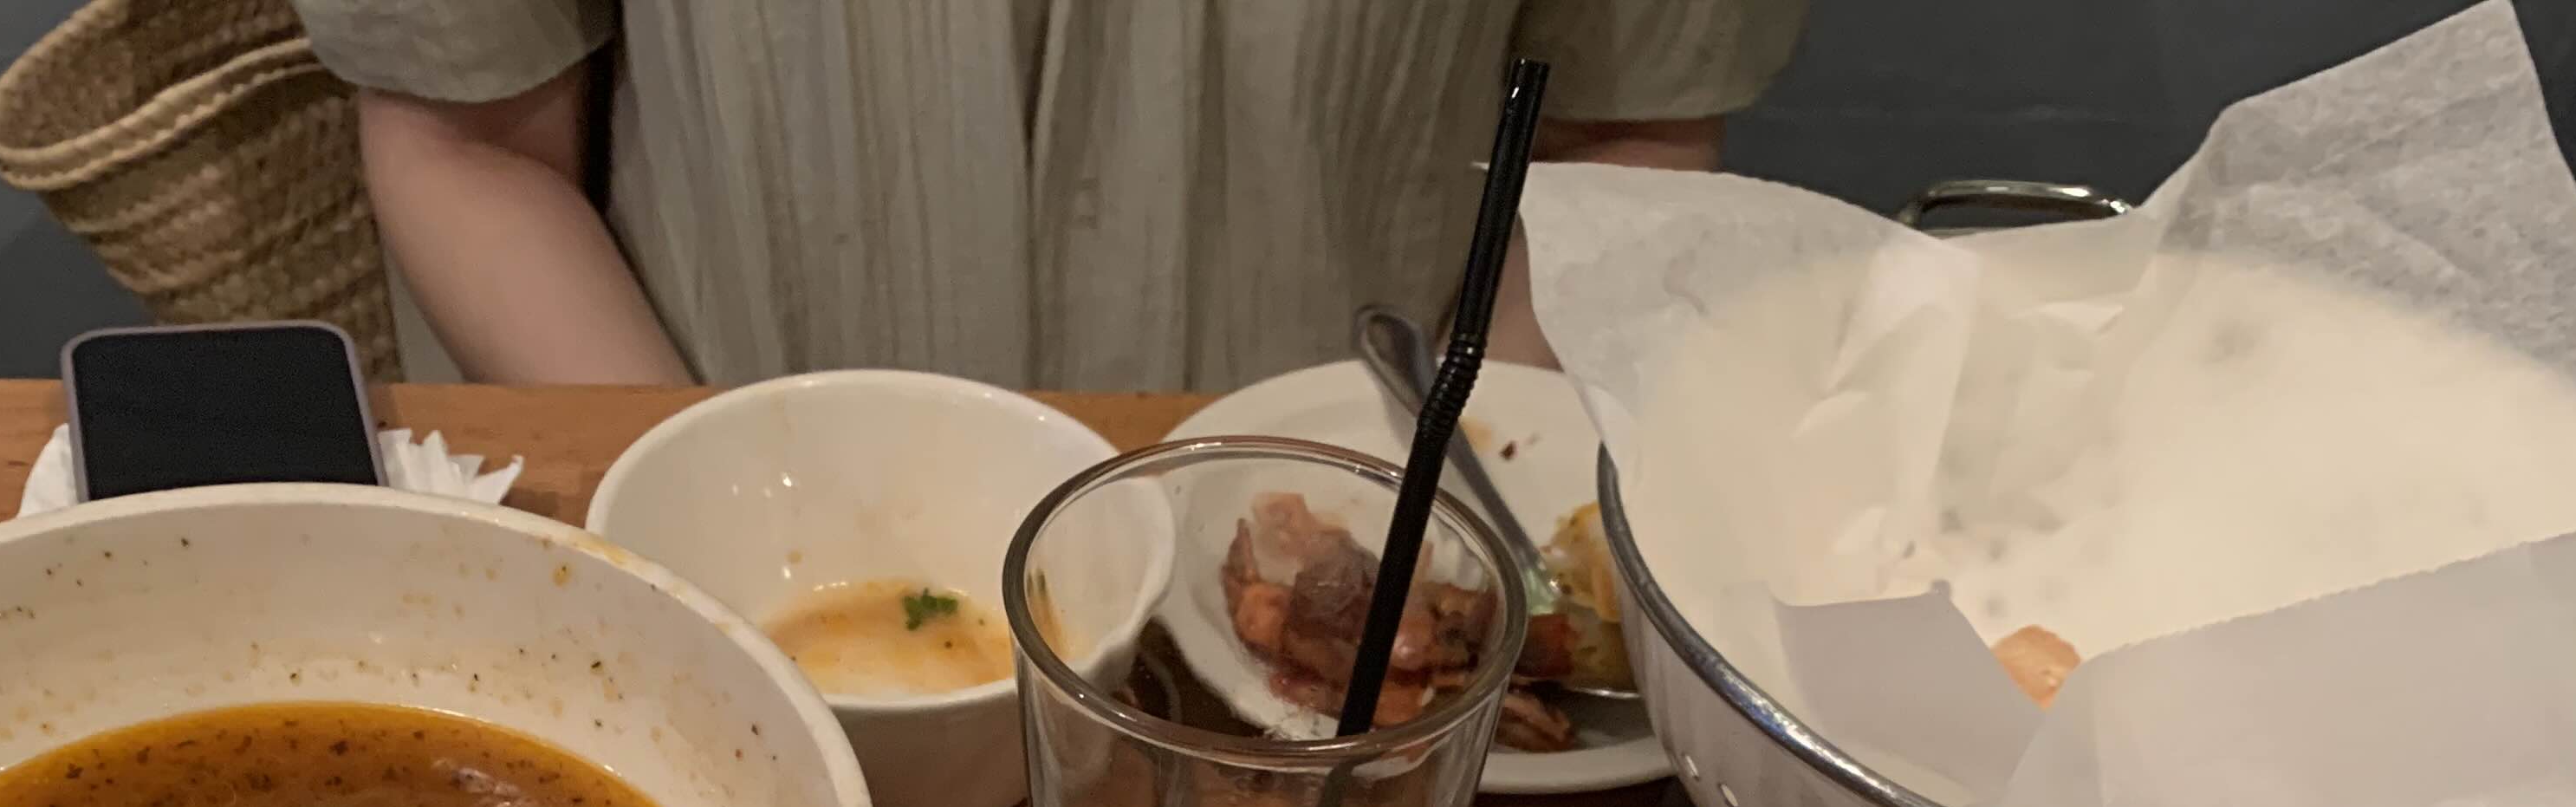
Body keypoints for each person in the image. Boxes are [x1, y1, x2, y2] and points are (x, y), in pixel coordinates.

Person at [290, 0, 1807, 387]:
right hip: (718, 576)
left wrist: (1454, 525)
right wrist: (715, 529)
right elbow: (469, 132)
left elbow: (1624, 130)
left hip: (1341, 636)